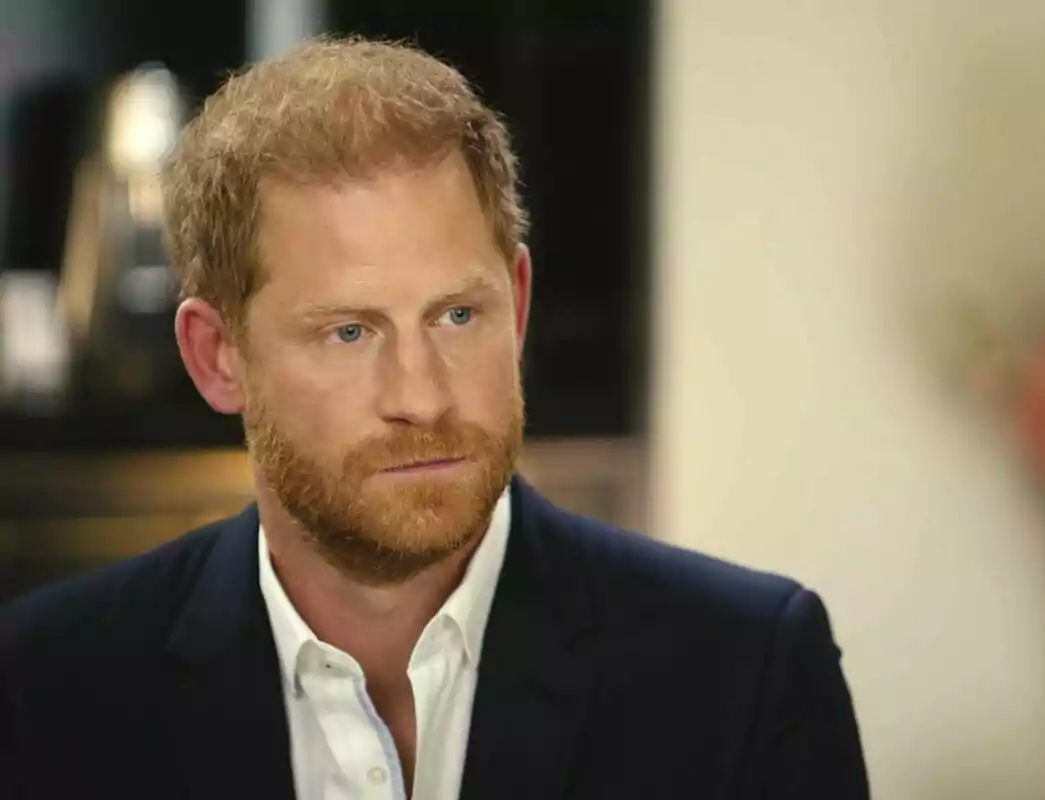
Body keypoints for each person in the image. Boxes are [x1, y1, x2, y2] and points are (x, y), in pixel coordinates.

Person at [0, 36, 870, 799]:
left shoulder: (745, 676)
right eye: (349, 331)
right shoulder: (43, 689)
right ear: (215, 355)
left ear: (518, 306)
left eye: (458, 315)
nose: (422, 395)